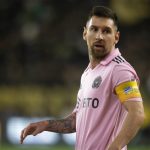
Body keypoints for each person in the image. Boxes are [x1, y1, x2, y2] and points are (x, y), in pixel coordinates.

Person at [20, 6, 145, 150]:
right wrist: (45, 124)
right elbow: (75, 121)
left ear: (116, 37)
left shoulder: (119, 70)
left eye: (106, 31)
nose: (99, 36)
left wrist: (114, 148)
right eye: (94, 29)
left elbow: (137, 114)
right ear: (85, 33)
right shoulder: (87, 74)